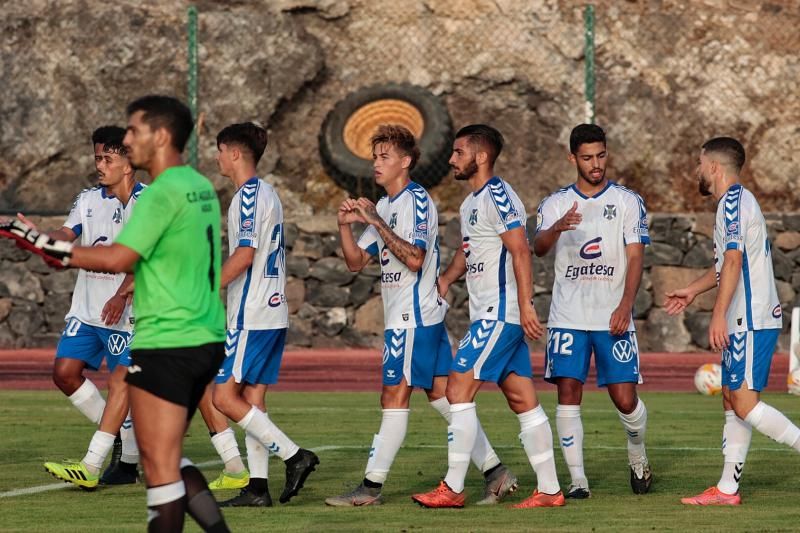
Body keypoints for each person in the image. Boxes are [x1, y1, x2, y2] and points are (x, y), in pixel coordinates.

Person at [4, 95, 231, 532]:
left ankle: (93, 464)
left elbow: (117, 259)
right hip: (200, 332)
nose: (128, 139)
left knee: (160, 466)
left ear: (160, 136)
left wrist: (42, 242)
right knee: (160, 456)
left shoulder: (160, 195)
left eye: (134, 131)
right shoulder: (197, 186)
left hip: (168, 337)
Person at [326, 124, 517, 507]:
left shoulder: (415, 201)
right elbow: (354, 263)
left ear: (406, 161)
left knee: (393, 395)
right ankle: (496, 473)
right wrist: (345, 226)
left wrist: (376, 223)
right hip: (407, 317)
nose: (376, 164)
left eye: (385, 157)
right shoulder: (383, 206)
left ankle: (370, 488)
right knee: (443, 397)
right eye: (374, 157)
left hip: (413, 318)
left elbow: (414, 259)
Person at [412, 124, 563, 509]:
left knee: (457, 389)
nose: (451, 159)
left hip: (501, 313)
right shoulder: (470, 203)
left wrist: (527, 305)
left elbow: (521, 250)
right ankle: (549, 490)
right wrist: (446, 278)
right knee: (521, 398)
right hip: (492, 313)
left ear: (480, 156)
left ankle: (453, 487)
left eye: (459, 152)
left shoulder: (497, 194)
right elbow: (471, 248)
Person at [665, 137, 800, 506]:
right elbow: (725, 265)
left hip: (751, 317)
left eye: (699, 162)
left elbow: (735, 263)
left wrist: (718, 314)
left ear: (714, 167)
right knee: (731, 399)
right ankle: (727, 490)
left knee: (743, 403)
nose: (696, 170)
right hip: (746, 315)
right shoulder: (733, 203)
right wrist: (693, 290)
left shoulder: (734, 204)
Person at [17, 126, 142, 488]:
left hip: (128, 314)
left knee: (124, 386)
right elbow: (65, 235)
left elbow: (149, 257)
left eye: (107, 157)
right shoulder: (87, 199)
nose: (99, 164)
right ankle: (122, 440)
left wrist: (122, 294)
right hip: (87, 310)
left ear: (129, 162)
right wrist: (40, 237)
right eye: (97, 157)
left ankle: (111, 459)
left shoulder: (148, 203)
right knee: (64, 372)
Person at [533, 123, 652, 498]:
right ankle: (578, 480)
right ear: (573, 158)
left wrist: (626, 304)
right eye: (587, 157)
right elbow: (537, 246)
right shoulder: (554, 204)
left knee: (625, 399)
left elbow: (636, 256)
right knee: (568, 391)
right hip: (568, 316)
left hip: (612, 315)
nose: (595, 164)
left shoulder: (628, 200)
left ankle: (637, 451)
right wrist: (556, 228)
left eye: (600, 155)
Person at [208, 122, 319, 507]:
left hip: (251, 313)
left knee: (223, 397)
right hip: (270, 312)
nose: (217, 157)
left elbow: (244, 254)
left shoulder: (249, 196)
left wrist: (203, 290)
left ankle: (294, 455)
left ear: (235, 153)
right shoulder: (264, 193)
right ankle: (257, 488)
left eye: (219, 150)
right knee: (251, 399)